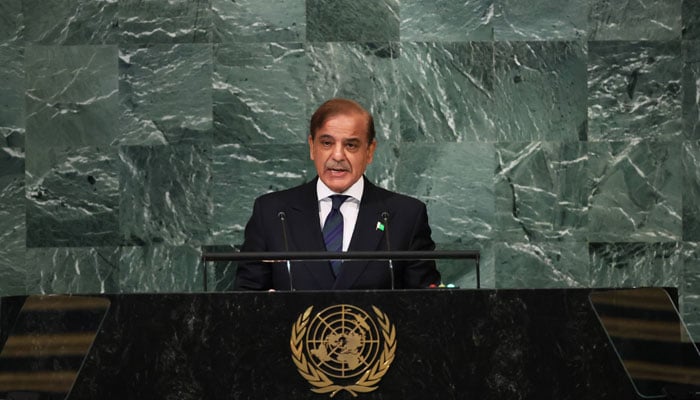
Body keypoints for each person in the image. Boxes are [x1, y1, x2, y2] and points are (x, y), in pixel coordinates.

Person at [233, 98, 440, 290]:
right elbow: (245, 299)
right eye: (326, 143)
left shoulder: (406, 215)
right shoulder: (271, 213)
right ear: (312, 147)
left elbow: (424, 307)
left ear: (369, 151)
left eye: (351, 145)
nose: (338, 156)